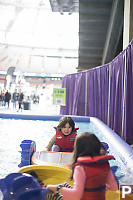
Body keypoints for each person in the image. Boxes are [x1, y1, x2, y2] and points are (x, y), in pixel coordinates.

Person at [46, 132, 118, 200]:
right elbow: (114, 187)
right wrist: (97, 187)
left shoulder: (81, 168)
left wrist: (57, 188)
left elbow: (76, 195)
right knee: (65, 185)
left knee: (50, 193)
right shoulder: (104, 164)